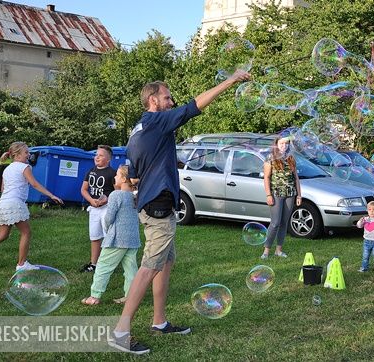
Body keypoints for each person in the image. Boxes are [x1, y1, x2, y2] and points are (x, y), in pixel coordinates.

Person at [109, 69, 251, 355]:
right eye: (167, 97)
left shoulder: (140, 129)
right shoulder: (157, 121)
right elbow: (194, 106)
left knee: (165, 262)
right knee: (149, 268)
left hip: (156, 204)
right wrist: (233, 79)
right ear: (153, 100)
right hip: (159, 206)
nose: (171, 101)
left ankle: (159, 321)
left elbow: (133, 174)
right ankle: (120, 331)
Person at [0, 142, 63, 272]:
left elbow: (3, 189)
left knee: (2, 235)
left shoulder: (7, 169)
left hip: (3, 204)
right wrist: (51, 195)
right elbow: (34, 184)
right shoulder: (25, 167)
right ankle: (22, 265)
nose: (29, 155)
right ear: (17, 154)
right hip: (14, 204)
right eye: (26, 152)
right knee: (26, 232)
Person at [81, 165, 140, 306]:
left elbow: (108, 218)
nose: (114, 177)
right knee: (131, 269)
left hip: (117, 238)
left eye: (117, 175)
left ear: (124, 179)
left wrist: (108, 230)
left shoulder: (115, 195)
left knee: (103, 266)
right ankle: (130, 297)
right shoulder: (136, 196)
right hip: (133, 239)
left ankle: (94, 296)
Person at [261, 135, 301, 259]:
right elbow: (266, 178)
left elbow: (296, 178)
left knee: (284, 223)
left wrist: (299, 195)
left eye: (286, 144)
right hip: (276, 193)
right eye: (281, 144)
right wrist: (268, 195)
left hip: (290, 193)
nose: (284, 146)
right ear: (276, 145)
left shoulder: (291, 158)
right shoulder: (270, 158)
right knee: (275, 223)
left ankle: (279, 250)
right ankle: (266, 251)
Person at [80, 145, 117, 273]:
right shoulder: (90, 171)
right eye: (96, 155)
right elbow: (84, 189)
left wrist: (107, 199)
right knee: (95, 236)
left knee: (108, 235)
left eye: (101, 155)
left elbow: (117, 191)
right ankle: (94, 264)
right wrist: (91, 200)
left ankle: (108, 263)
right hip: (94, 208)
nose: (97, 157)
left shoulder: (112, 173)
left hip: (107, 208)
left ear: (108, 159)